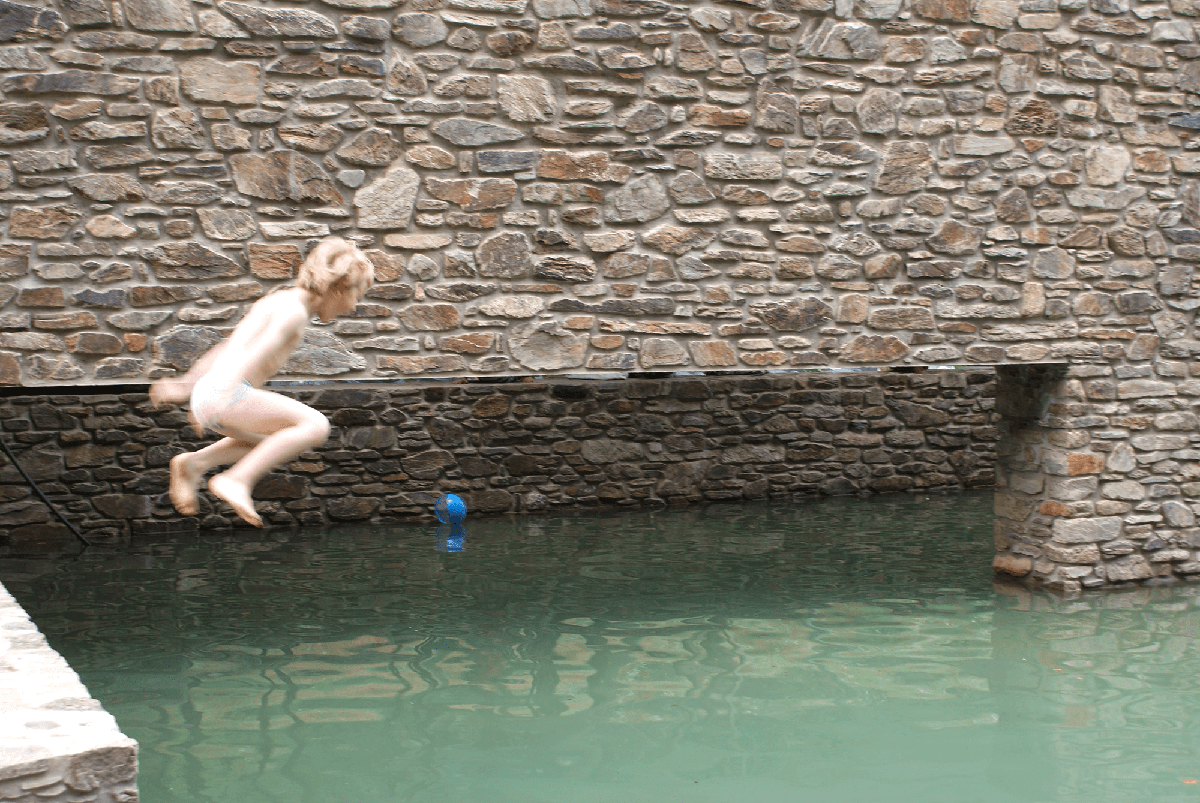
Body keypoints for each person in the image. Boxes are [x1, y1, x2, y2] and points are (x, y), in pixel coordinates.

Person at [150, 236, 374, 527]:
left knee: (277, 442)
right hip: (226, 392)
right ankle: (236, 479)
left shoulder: (278, 300)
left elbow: (227, 346)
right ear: (337, 287)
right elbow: (255, 352)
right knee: (316, 426)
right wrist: (223, 391)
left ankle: (195, 463)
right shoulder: (293, 314)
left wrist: (187, 386)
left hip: (210, 390)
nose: (354, 306)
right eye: (357, 294)